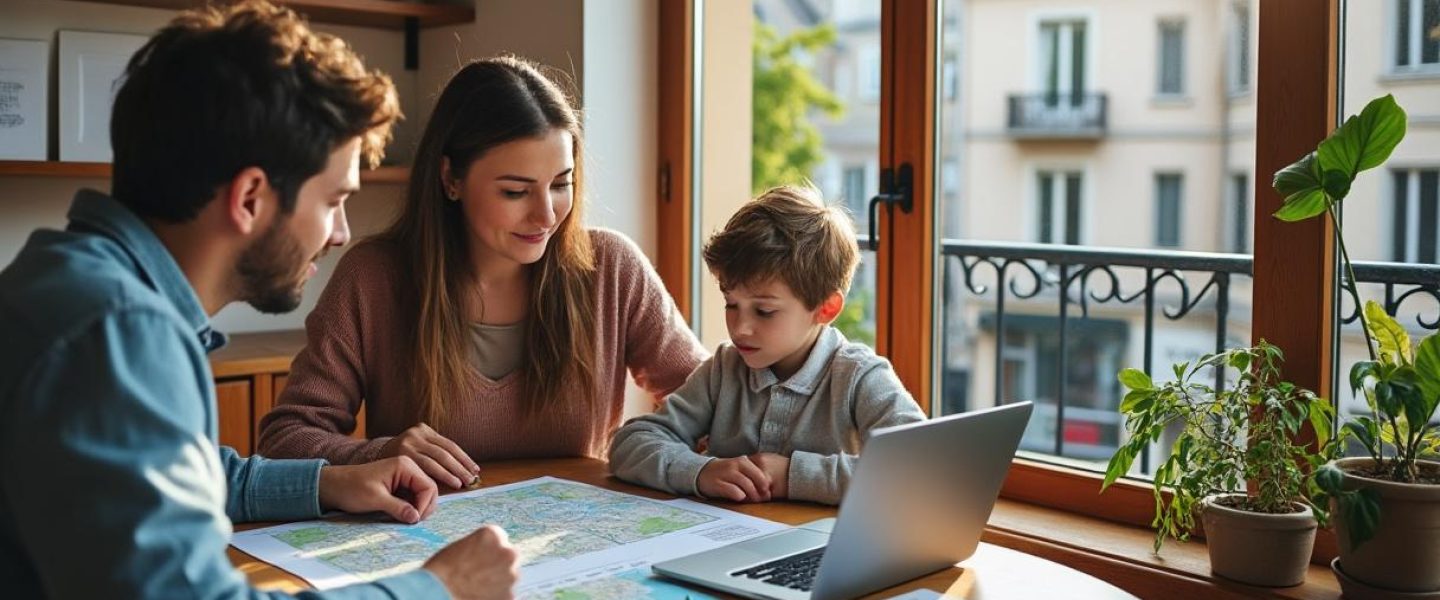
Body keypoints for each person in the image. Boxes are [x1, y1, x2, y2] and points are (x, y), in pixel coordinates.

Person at [0, 2, 518, 598]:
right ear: (249, 198)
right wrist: (441, 587)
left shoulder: (69, 281)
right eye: (333, 201)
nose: (341, 233)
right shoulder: (117, 332)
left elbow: (173, 474)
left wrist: (329, 483)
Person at [256, 57, 706, 490]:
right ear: (451, 178)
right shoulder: (373, 278)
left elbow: (717, 406)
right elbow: (286, 440)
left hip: (576, 535)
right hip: (429, 533)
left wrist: (690, 465)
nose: (547, 215)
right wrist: (381, 453)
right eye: (515, 192)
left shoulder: (612, 268)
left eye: (560, 184)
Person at [608, 186, 927, 505]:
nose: (740, 327)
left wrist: (792, 476)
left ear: (826, 309)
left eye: (764, 311)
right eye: (731, 304)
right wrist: (701, 471)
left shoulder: (859, 376)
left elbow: (921, 468)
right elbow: (630, 443)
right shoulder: (724, 369)